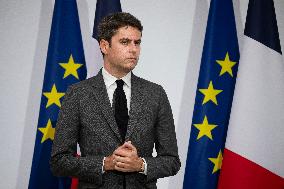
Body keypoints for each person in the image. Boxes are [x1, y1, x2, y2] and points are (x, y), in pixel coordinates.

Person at [50, 12, 180, 189]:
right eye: (125, 42)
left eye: (137, 42)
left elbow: (172, 161)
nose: (133, 49)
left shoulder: (155, 94)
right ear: (104, 45)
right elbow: (59, 161)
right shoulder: (78, 94)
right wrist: (106, 163)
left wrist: (141, 165)